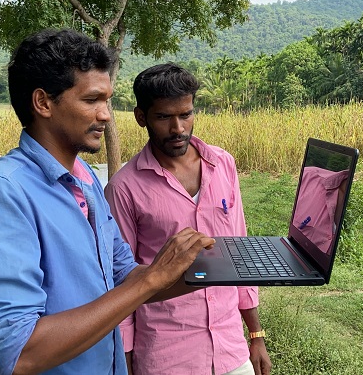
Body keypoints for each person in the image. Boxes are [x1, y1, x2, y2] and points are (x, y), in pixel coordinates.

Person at [0, 30, 215, 375]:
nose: (106, 115)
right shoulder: (3, 194)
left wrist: (218, 271)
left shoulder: (86, 179)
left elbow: (124, 276)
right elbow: (18, 353)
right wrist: (152, 279)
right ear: (43, 103)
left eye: (107, 100)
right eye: (92, 100)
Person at [105, 63, 272, 375]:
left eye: (185, 114)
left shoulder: (223, 165)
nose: (178, 128)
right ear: (142, 118)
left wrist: (256, 335)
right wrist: (126, 365)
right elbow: (122, 281)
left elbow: (241, 252)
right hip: (167, 355)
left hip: (231, 348)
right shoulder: (123, 188)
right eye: (164, 117)